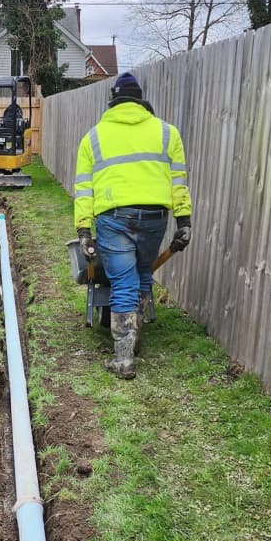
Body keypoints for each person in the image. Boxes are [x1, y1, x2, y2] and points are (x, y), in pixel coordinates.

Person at [74, 72, 192, 379]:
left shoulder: (94, 137)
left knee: (123, 282)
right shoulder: (168, 133)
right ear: (140, 101)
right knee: (142, 273)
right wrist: (184, 222)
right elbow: (178, 182)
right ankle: (134, 340)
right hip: (155, 217)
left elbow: (84, 189)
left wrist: (84, 231)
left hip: (113, 219)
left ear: (113, 101)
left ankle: (124, 359)